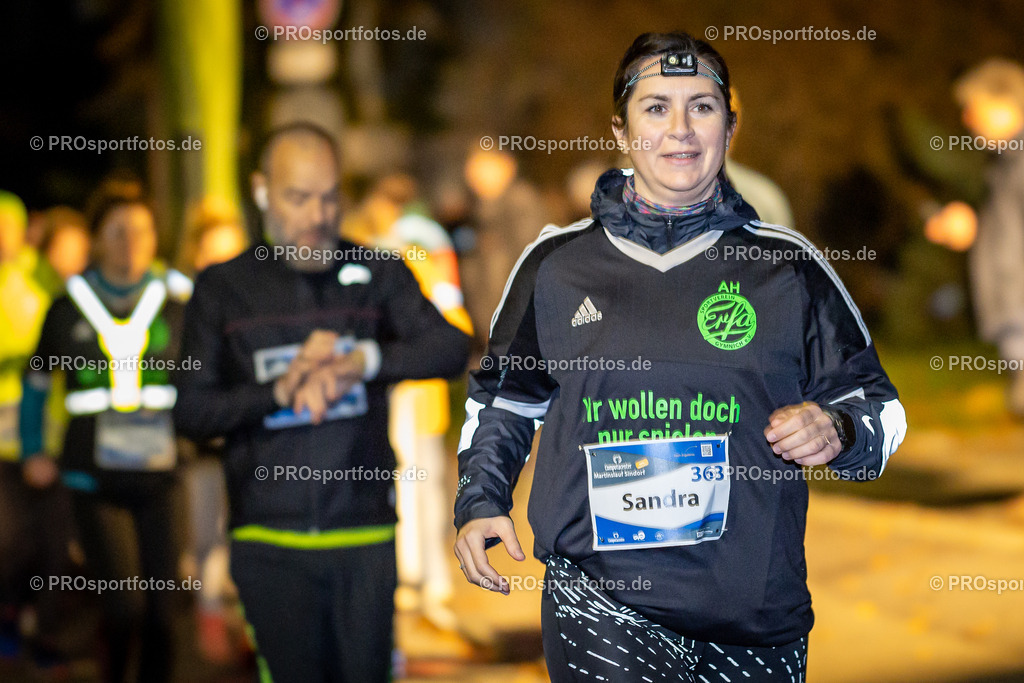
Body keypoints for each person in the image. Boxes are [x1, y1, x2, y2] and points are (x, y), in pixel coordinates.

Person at [454, 31, 907, 682]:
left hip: (752, 611)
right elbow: (505, 401)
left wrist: (837, 429)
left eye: (702, 106)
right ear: (621, 128)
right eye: (656, 107)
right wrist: (480, 497)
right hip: (600, 599)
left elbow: (882, 410)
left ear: (730, 125)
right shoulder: (556, 267)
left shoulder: (787, 267)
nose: (681, 129)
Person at [172, 122, 470, 683]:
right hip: (268, 537)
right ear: (262, 192)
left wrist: (366, 360)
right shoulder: (223, 288)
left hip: (365, 533)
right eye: (298, 197)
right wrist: (278, 390)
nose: (317, 215)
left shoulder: (377, 274)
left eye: (330, 197)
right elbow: (191, 413)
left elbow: (451, 347)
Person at [20, 180, 190, 683]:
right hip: (94, 478)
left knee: (163, 616)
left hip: (162, 475)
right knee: (123, 609)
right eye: (118, 232)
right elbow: (35, 383)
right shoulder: (68, 307)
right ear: (95, 239)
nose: (131, 242)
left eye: (141, 230)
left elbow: (205, 380)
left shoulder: (176, 303)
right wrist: (33, 449)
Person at [343, 174, 474, 631]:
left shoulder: (413, 256)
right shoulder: (375, 263)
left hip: (417, 395)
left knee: (425, 485)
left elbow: (449, 321)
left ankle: (429, 580)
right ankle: (409, 578)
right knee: (407, 485)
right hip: (395, 399)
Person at [953, 59, 1024, 414]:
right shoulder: (1006, 162)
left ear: (1003, 102)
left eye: (973, 108)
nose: (967, 120)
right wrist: (976, 230)